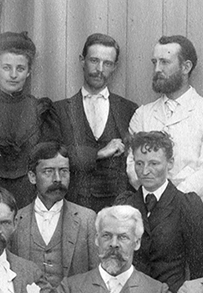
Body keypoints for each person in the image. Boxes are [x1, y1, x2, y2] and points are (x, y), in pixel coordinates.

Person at [127, 35, 203, 238]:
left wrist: (169, 201)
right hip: (149, 217)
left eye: (165, 62)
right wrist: (156, 198)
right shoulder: (142, 114)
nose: (157, 69)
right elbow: (133, 166)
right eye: (154, 62)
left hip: (197, 217)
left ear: (186, 67)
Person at [114, 131, 203, 293]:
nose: (145, 171)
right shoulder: (125, 205)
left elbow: (201, 268)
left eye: (154, 163)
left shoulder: (187, 206)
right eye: (139, 163)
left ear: (170, 163)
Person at [44, 33, 138, 211]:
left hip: (117, 208)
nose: (100, 69)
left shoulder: (129, 110)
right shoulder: (60, 110)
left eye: (107, 63)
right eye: (94, 60)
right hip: (73, 206)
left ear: (115, 67)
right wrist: (99, 153)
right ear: (82, 61)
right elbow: (55, 158)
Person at [37, 205, 177, 293]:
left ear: (137, 242)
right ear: (97, 239)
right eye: (106, 236)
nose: (113, 244)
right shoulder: (70, 289)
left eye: (123, 237)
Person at [0, 31, 53, 206]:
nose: (13, 75)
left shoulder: (40, 109)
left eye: (20, 68)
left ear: (29, 72)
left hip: (30, 196)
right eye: (6, 67)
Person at [10, 142, 99, 293]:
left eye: (64, 171)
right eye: (48, 171)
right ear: (32, 177)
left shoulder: (87, 219)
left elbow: (97, 277)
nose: (58, 179)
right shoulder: (16, 221)